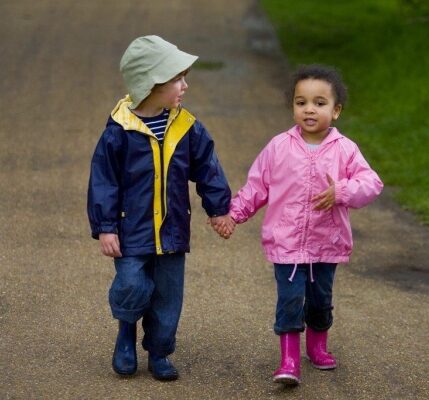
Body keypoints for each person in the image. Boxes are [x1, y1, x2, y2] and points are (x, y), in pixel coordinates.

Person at [222, 64, 383, 385]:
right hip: (287, 243)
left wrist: (341, 191)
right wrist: (234, 214)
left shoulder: (345, 150)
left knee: (321, 299)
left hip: (328, 243)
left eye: (319, 103)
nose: (309, 109)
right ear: (293, 106)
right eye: (301, 102)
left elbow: (371, 183)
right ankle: (289, 359)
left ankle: (318, 347)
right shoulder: (279, 147)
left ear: (336, 111)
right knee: (291, 299)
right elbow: (257, 186)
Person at [87, 35, 234, 381]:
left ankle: (159, 352)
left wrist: (219, 209)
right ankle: (126, 334)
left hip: (172, 231)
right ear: (151, 84)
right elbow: (103, 181)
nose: (185, 85)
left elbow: (208, 169)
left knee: (168, 297)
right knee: (132, 284)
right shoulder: (119, 132)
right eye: (177, 79)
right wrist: (106, 226)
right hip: (130, 229)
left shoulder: (187, 128)